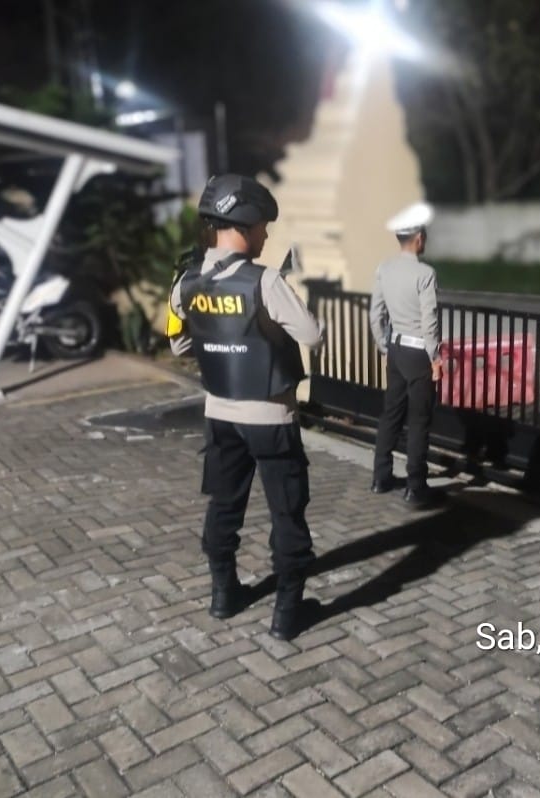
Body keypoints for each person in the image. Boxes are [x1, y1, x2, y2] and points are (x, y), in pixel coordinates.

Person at [167, 174, 324, 641]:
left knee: (224, 504)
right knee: (287, 511)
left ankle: (223, 595)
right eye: (263, 227)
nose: (266, 236)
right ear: (247, 222)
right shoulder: (265, 281)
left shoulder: (185, 281)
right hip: (271, 417)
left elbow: (179, 345)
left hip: (220, 415)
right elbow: (312, 334)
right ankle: (287, 614)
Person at [369, 202, 444, 507]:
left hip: (396, 349)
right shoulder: (425, 273)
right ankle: (415, 485)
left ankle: (380, 477)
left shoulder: (384, 268)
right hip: (418, 354)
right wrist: (435, 357)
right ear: (418, 238)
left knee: (391, 413)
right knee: (419, 419)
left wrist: (383, 346)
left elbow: (375, 314)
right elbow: (430, 320)